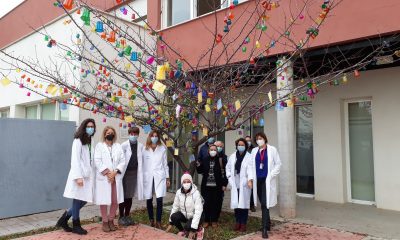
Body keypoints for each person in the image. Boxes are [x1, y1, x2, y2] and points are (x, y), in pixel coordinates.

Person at [57, 119, 96, 235]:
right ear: (84, 127)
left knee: (84, 200)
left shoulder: (90, 140)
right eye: (89, 126)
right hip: (79, 175)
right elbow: (75, 160)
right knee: (78, 199)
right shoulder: (78, 140)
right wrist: (78, 177)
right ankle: (76, 225)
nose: (91, 128)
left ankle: (64, 219)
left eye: (92, 127)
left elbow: (90, 159)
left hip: (88, 175)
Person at [94, 126, 126, 232]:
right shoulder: (99, 146)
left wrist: (115, 172)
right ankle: (104, 221)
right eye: (108, 133)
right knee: (104, 200)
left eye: (112, 132)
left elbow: (123, 161)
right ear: (104, 134)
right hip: (105, 178)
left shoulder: (118, 146)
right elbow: (97, 161)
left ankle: (111, 220)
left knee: (115, 200)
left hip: (116, 177)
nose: (110, 134)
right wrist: (108, 173)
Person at [251, 132, 281, 239]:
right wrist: (250, 179)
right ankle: (268, 224)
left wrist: (271, 175)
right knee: (263, 202)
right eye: (257, 139)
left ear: (265, 139)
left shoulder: (272, 150)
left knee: (264, 203)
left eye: (261, 138)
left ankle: (264, 229)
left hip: (267, 180)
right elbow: (250, 166)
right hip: (257, 180)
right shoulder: (254, 151)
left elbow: (278, 164)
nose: (259, 140)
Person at [141, 130, 170, 229]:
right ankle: (151, 220)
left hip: (159, 176)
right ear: (149, 137)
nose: (154, 137)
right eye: (152, 136)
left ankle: (158, 221)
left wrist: (167, 177)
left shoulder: (162, 149)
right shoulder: (145, 149)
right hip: (148, 176)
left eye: (156, 136)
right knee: (149, 198)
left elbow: (165, 164)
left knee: (159, 199)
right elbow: (142, 164)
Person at [226, 138, 254, 232]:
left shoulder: (249, 156)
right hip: (235, 182)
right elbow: (228, 168)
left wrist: (249, 180)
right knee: (236, 204)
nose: (240, 146)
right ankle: (237, 221)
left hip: (244, 183)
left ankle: (243, 223)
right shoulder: (233, 156)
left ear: (245, 146)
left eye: (242, 145)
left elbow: (251, 169)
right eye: (239, 144)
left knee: (244, 204)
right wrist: (229, 177)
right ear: (236, 146)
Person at [196, 144, 228, 228]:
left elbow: (225, 173)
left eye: (214, 150)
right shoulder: (205, 159)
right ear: (208, 151)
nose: (213, 151)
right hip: (206, 186)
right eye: (211, 150)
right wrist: (198, 165)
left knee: (216, 203)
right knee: (206, 203)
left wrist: (224, 184)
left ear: (217, 151)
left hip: (217, 186)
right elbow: (200, 171)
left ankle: (214, 220)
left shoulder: (220, 160)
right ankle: (206, 220)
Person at [166, 173, 204, 239]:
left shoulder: (196, 193)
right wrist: (171, 222)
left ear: (191, 182)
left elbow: (198, 211)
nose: (186, 183)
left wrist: (193, 230)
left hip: (197, 216)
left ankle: (199, 229)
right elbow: (175, 207)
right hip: (186, 215)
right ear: (182, 183)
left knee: (188, 226)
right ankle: (183, 231)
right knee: (173, 217)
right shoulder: (178, 192)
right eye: (184, 182)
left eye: (188, 181)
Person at [119, 126, 144, 226]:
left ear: (138, 135)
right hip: (125, 174)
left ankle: (127, 215)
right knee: (123, 195)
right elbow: (120, 159)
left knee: (130, 196)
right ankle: (121, 217)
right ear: (129, 134)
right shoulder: (124, 145)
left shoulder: (141, 146)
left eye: (135, 134)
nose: (133, 136)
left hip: (134, 174)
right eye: (131, 134)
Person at [214, 140, 228, 220]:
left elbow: (226, 171)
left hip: (220, 182)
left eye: (220, 146)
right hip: (211, 182)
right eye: (217, 146)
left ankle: (216, 217)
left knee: (219, 199)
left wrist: (225, 184)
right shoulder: (209, 156)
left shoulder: (224, 157)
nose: (218, 148)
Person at [245, 135, 256, 212]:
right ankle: (245, 204)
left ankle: (251, 205)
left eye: (249, 140)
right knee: (244, 189)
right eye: (246, 140)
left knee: (251, 189)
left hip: (252, 171)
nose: (248, 142)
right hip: (244, 172)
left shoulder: (254, 150)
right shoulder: (242, 148)